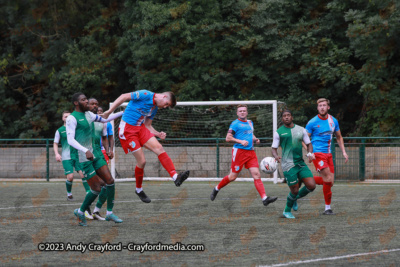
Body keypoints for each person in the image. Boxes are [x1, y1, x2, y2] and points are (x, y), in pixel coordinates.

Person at [103, 90, 190, 204]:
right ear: (164, 97)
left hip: (140, 129)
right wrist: (109, 111)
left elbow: (147, 125)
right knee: (142, 161)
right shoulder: (145, 94)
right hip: (128, 130)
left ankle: (175, 177)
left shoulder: (154, 108)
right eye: (166, 104)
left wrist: (158, 134)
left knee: (159, 148)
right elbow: (124, 96)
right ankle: (139, 190)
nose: (165, 107)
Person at [66, 92, 123, 226]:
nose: (87, 101)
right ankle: (80, 211)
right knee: (96, 188)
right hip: (83, 157)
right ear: (76, 103)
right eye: (84, 100)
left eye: (87, 99)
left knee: (109, 180)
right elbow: (70, 139)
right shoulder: (71, 118)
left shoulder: (89, 115)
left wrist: (122, 113)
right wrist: (85, 150)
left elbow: (104, 119)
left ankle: (109, 213)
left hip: (95, 154)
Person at [210, 104, 278, 206]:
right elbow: (228, 138)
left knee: (256, 174)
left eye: (244, 111)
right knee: (232, 177)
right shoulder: (235, 124)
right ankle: (216, 188)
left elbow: (250, 134)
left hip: (251, 152)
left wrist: (255, 139)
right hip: (239, 153)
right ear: (237, 113)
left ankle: (264, 198)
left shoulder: (250, 122)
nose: (242, 112)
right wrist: (240, 141)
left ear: (247, 112)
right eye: (240, 111)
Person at [305, 98, 348, 215]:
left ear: (328, 107)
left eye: (324, 105)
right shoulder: (312, 122)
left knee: (330, 182)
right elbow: (303, 139)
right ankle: (327, 208)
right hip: (317, 154)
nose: (322, 107)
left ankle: (304, 179)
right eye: (320, 106)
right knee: (328, 179)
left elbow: (339, 137)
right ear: (317, 108)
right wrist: (309, 153)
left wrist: (343, 151)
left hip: (328, 154)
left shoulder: (333, 121)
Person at [271, 110, 316, 219]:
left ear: (292, 117)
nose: (286, 117)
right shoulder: (279, 132)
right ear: (282, 119)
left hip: (300, 163)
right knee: (294, 190)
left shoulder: (301, 130)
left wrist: (310, 153)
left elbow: (309, 144)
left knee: (311, 185)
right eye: (284, 116)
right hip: (288, 165)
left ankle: (295, 198)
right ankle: (287, 211)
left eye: (288, 115)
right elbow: (273, 148)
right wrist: (276, 156)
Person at [54, 111, 94, 220]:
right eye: (65, 116)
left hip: (77, 155)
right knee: (70, 177)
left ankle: (88, 192)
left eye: (68, 116)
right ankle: (69, 193)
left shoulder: (75, 128)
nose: (67, 118)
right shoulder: (60, 131)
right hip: (67, 157)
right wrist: (57, 154)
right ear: (62, 118)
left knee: (82, 174)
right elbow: (55, 143)